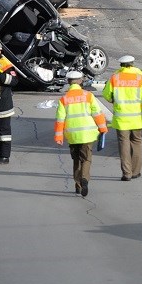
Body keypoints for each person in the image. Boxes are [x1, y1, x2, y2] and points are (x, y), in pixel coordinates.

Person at [102, 55, 142, 180]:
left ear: (121, 66)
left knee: (124, 144)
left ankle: (126, 173)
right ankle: (136, 171)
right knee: (137, 142)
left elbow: (106, 94)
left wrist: (113, 100)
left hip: (121, 120)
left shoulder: (115, 78)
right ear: (132, 64)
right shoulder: (140, 79)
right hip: (137, 119)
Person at [54, 70, 108, 198]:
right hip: (87, 134)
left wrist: (59, 136)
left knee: (76, 160)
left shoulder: (64, 99)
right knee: (86, 159)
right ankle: (84, 179)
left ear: (68, 82)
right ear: (80, 81)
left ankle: (78, 186)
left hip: (72, 135)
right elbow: (97, 114)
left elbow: (60, 119)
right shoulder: (88, 96)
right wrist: (103, 129)